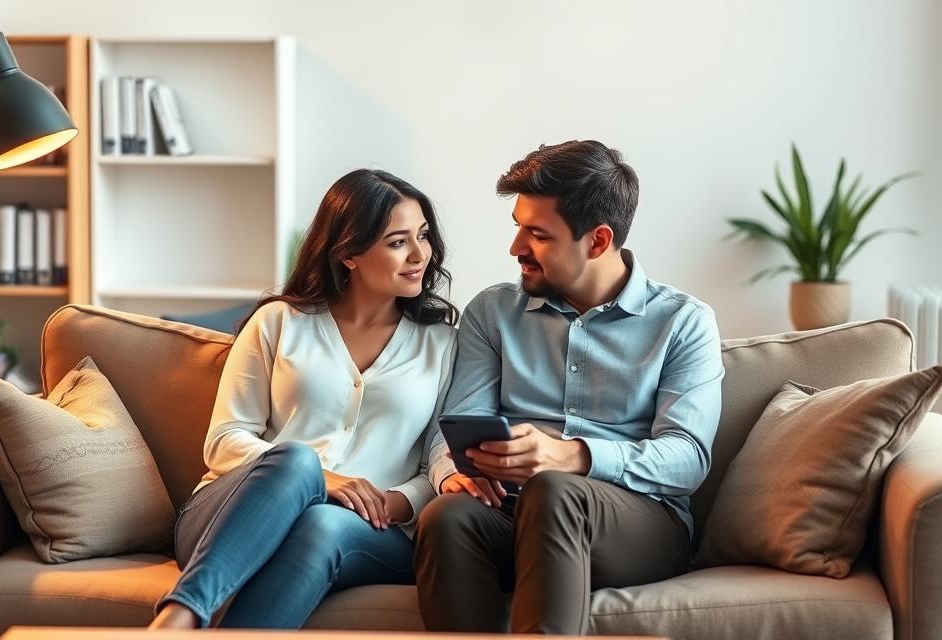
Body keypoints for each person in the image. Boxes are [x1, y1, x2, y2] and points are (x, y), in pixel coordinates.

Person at [414, 140, 725, 635]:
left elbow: (687, 458)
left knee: (555, 492)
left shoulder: (684, 323)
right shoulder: (493, 313)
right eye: (517, 227)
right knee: (446, 518)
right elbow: (450, 429)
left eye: (537, 234)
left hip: (637, 523)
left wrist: (576, 455)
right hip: (512, 510)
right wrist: (452, 472)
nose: (515, 248)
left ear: (598, 241)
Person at [149, 168, 458, 630]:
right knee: (296, 461)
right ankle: (180, 616)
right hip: (235, 514)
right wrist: (322, 479)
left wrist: (392, 503)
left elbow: (438, 455)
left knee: (322, 525)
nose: (419, 255)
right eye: (398, 242)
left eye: (423, 236)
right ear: (349, 253)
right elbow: (225, 439)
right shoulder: (279, 322)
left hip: (370, 530)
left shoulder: (443, 343)